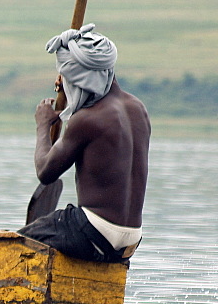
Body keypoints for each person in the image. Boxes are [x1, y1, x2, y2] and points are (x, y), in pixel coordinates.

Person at [18, 24, 150, 263]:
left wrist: (42, 126)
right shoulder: (138, 109)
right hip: (131, 239)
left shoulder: (88, 119)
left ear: (82, 80)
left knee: (16, 245)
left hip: (97, 230)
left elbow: (45, 172)